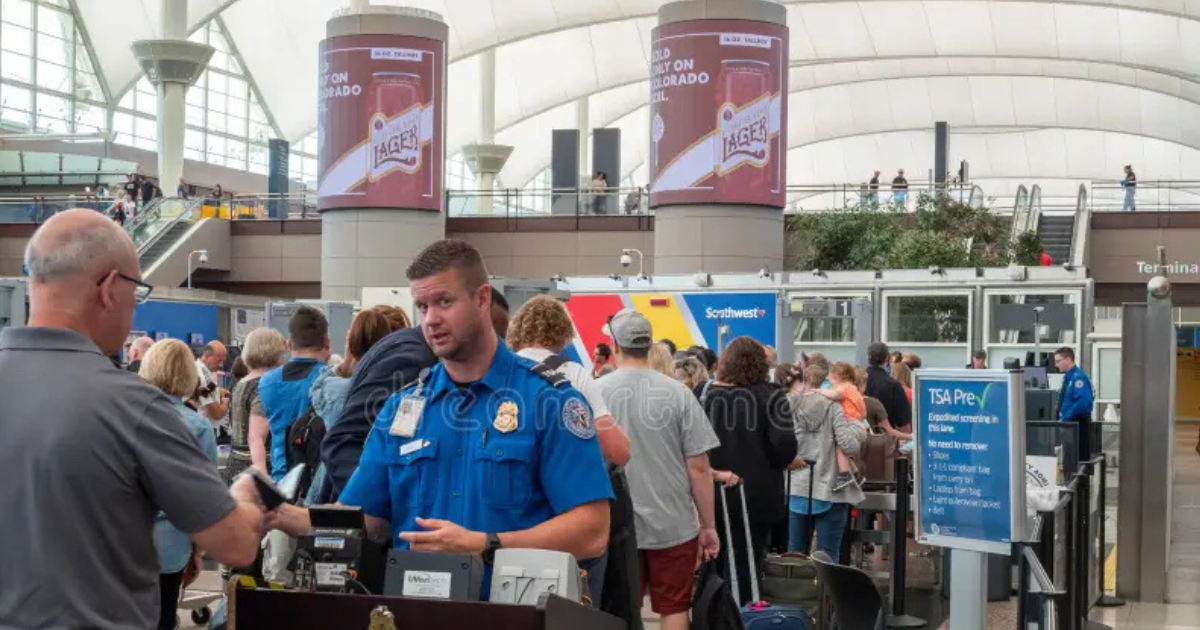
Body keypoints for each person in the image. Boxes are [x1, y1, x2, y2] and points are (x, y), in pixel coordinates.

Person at [270, 240, 613, 596]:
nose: (431, 319)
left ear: (482, 299)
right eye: (422, 306)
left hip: (512, 614)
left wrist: (487, 545)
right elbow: (364, 521)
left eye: (444, 302)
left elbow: (592, 531)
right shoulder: (401, 410)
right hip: (415, 613)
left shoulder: (548, 401)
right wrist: (279, 514)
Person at [0, 209, 263, 629]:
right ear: (108, 288)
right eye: (136, 291)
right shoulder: (134, 408)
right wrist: (248, 496)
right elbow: (234, 544)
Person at [596, 309, 721, 630]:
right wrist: (708, 525)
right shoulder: (679, 393)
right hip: (673, 524)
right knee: (675, 606)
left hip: (615, 523)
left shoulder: (596, 392)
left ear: (615, 345)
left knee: (619, 611)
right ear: (650, 344)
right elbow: (699, 468)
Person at [505, 295, 633, 603]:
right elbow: (618, 451)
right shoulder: (573, 374)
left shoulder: (500, 373)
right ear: (562, 331)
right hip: (566, 516)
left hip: (511, 520)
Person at [705, 337, 797, 606]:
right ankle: (750, 612)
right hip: (759, 492)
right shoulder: (773, 396)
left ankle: (718, 615)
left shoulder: (710, 396)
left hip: (716, 492)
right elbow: (784, 446)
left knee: (718, 559)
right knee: (752, 559)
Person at [139, 339, 219, 630]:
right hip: (170, 545)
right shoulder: (198, 428)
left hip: (116, 543)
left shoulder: (118, 416)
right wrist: (196, 551)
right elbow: (202, 501)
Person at [320, 313, 437, 500]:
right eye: (424, 306)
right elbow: (345, 443)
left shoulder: (410, 353)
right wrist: (388, 508)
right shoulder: (412, 360)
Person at [305, 307, 397, 505]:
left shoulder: (336, 390)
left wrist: (347, 359)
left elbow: (318, 386)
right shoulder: (396, 389)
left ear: (351, 342)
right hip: (376, 482)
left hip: (332, 483)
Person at [787, 363, 866, 560]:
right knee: (828, 558)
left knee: (795, 556)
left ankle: (796, 581)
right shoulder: (834, 406)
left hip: (798, 487)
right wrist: (859, 429)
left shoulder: (790, 406)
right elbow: (848, 446)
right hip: (831, 490)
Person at [257, 306, 330, 480]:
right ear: (326, 341)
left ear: (288, 343)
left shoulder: (267, 382)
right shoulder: (330, 380)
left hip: (282, 479)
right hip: (317, 480)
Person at [229, 327, 286, 481]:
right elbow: (256, 438)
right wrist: (263, 475)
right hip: (258, 466)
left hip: (236, 463)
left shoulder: (241, 384)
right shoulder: (265, 386)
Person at [817, 361, 867, 491]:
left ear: (837, 377)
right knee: (843, 452)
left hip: (851, 424)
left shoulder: (844, 387)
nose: (830, 384)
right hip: (859, 425)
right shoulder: (854, 390)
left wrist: (819, 391)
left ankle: (845, 475)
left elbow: (835, 395)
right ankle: (857, 475)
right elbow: (864, 413)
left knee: (840, 446)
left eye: (830, 380)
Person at [1055, 347, 1095, 463]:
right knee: (1068, 458)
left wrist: (1066, 416)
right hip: (1069, 424)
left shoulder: (1078, 377)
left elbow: (1083, 403)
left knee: (1077, 460)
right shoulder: (1068, 378)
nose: (1056, 365)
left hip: (1077, 423)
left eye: (1058, 361)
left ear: (1068, 359)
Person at [866, 342, 912, 432]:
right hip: (886, 437)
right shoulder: (894, 386)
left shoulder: (857, 381)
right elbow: (905, 426)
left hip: (859, 437)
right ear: (887, 358)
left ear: (868, 358)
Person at [196, 340, 230, 426]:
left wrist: (218, 391)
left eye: (223, 361)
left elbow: (207, 392)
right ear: (207, 356)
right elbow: (217, 414)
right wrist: (225, 402)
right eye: (219, 361)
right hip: (205, 427)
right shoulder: (203, 378)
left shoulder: (205, 370)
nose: (221, 365)